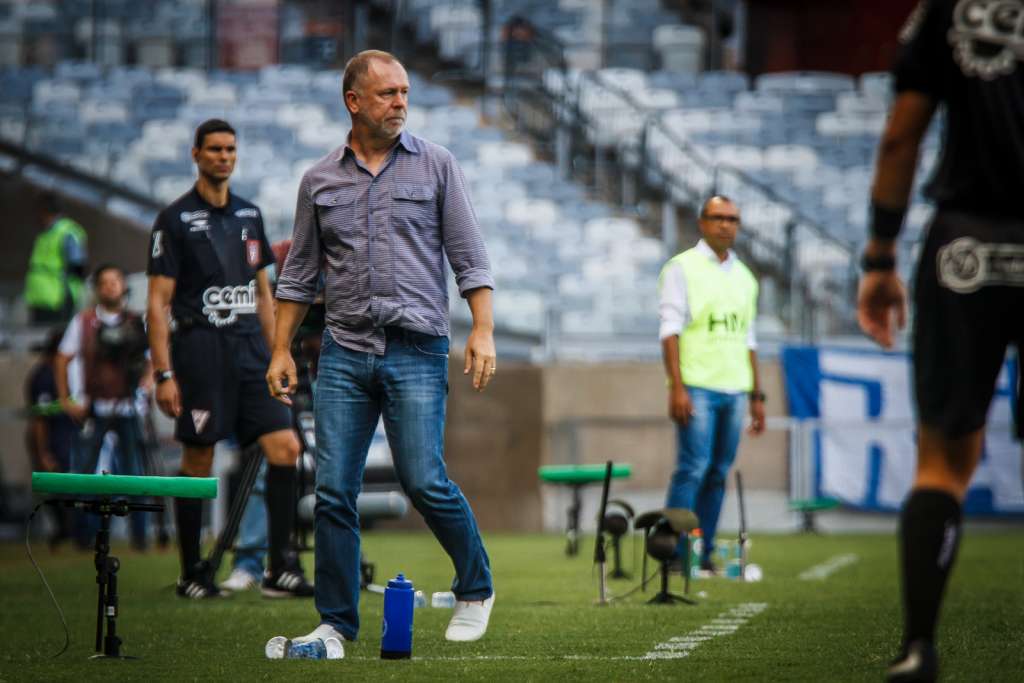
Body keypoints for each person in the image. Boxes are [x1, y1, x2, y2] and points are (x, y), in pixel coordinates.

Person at [267, 50, 497, 652]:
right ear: (354, 102)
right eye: (388, 93)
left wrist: (482, 329)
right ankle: (336, 625)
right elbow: (298, 276)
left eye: (404, 93)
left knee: (424, 480)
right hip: (343, 351)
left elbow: (469, 255)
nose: (401, 103)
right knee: (333, 492)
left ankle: (476, 587)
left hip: (417, 348)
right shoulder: (319, 180)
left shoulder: (438, 166)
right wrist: (280, 351)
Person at [856, 2, 1024, 680]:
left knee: (942, 462)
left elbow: (902, 136)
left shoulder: (951, 9)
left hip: (967, 244)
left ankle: (918, 648)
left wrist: (879, 257)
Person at [146, 118, 310, 599]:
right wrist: (163, 373)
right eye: (214, 149)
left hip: (251, 352)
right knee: (198, 457)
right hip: (200, 350)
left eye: (230, 149)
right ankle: (193, 572)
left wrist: (279, 351)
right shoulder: (173, 220)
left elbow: (263, 294)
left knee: (286, 448)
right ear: (195, 154)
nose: (224, 156)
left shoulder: (250, 215)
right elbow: (157, 303)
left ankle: (279, 567)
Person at [657, 195, 765, 573]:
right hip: (697, 385)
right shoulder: (680, 268)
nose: (726, 225)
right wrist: (677, 386)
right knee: (693, 469)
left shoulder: (747, 278)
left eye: (733, 219)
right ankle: (672, 557)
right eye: (718, 218)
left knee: (719, 472)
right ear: (702, 223)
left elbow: (749, 339)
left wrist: (757, 395)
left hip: (736, 388)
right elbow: (669, 332)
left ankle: (701, 558)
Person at [54, 264, 151, 550]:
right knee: (86, 474)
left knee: (135, 475)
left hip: (128, 408)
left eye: (116, 281)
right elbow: (62, 358)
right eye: (105, 282)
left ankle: (140, 540)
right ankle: (83, 538)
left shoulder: (136, 322)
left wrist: (145, 387)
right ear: (97, 288)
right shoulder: (82, 322)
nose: (111, 287)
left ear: (124, 286)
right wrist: (65, 399)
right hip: (94, 407)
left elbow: (152, 358)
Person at [24, 325, 78, 550]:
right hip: (52, 441)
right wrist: (43, 452)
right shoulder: (44, 376)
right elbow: (39, 421)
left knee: (71, 489)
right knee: (57, 490)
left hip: (69, 439)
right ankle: (63, 532)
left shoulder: (72, 373)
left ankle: (73, 533)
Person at [25, 191, 88, 325]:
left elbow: (78, 265)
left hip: (59, 297)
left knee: (55, 336)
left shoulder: (67, 232)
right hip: (40, 296)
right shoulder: (46, 233)